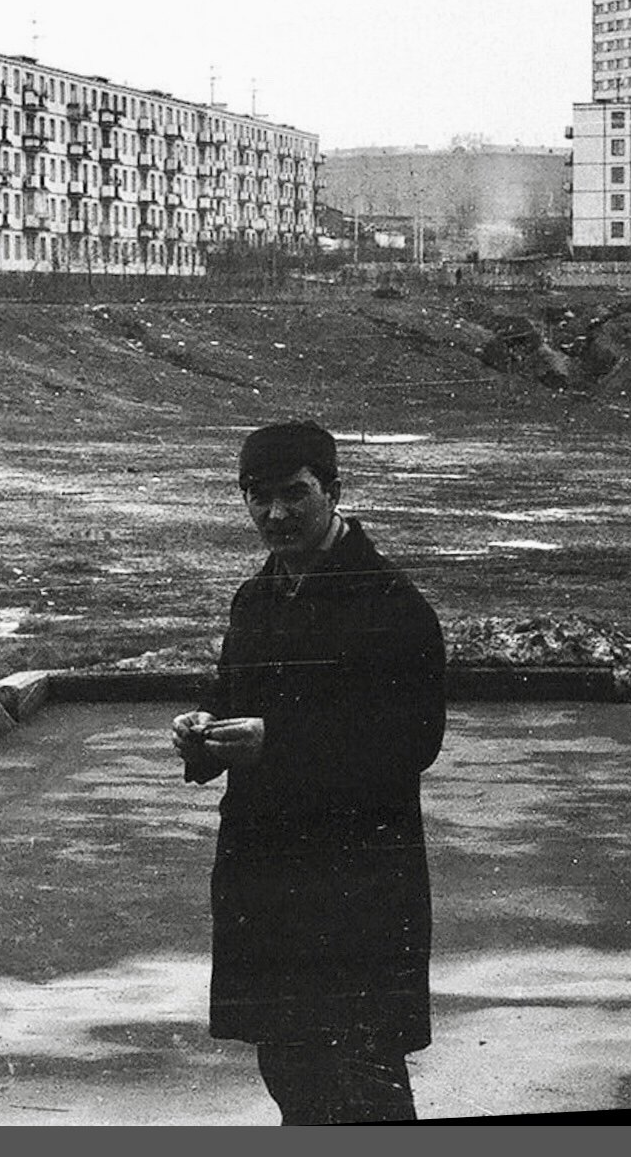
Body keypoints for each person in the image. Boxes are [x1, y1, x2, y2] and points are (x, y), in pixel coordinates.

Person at [173, 421, 447, 1125]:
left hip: (357, 893)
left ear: (332, 490)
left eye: (294, 494)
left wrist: (277, 742)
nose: (275, 515)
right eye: (257, 498)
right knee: (291, 1070)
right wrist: (202, 734)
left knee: (364, 1081)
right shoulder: (255, 599)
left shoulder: (392, 606)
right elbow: (237, 701)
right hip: (269, 889)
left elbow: (413, 740)